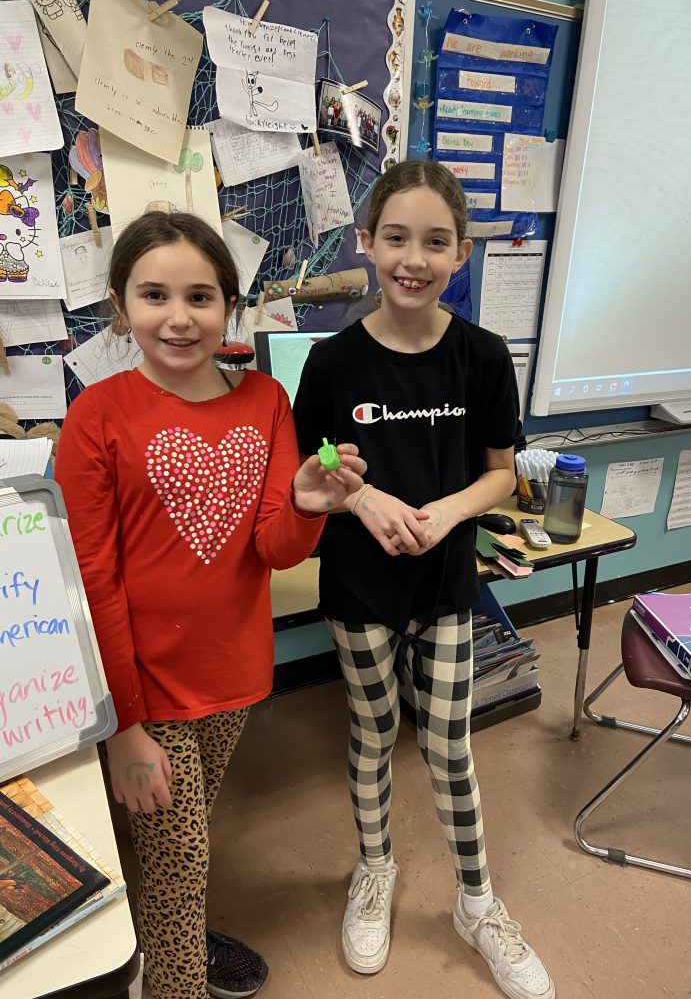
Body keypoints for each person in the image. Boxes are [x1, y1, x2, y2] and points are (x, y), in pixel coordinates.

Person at [54, 212, 366, 999]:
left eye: (201, 295)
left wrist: (307, 503)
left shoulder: (264, 401)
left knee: (175, 848)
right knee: (182, 858)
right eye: (154, 295)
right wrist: (123, 727)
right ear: (121, 307)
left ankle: (164, 942)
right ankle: (173, 977)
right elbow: (93, 578)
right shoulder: (97, 415)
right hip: (143, 685)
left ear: (230, 303)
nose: (179, 316)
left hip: (230, 674)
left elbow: (275, 549)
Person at [292, 160, 555, 999]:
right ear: (366, 245)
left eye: (435, 241)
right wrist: (361, 497)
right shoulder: (332, 365)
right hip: (359, 590)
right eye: (396, 238)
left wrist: (444, 515)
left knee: (448, 743)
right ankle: (376, 870)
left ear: (462, 253)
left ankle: (477, 905)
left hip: (444, 582)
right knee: (373, 734)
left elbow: (504, 474)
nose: (415, 258)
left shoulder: (481, 356)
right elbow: (309, 473)